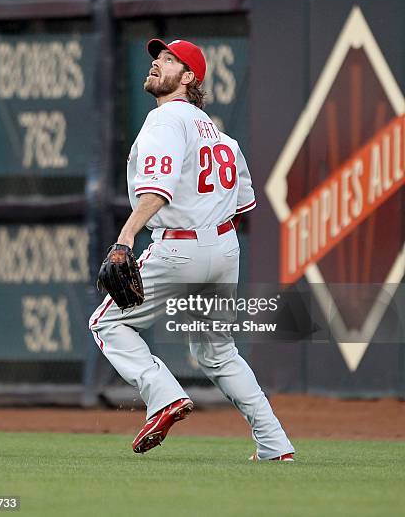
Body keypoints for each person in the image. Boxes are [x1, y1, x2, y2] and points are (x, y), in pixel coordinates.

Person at [89, 39, 295, 461]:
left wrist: (125, 238)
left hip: (178, 246)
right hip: (223, 248)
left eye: (168, 60)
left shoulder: (165, 121)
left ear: (188, 78)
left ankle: (163, 396)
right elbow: (243, 207)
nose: (156, 63)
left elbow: (157, 191)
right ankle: (275, 445)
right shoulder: (223, 137)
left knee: (107, 323)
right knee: (218, 353)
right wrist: (211, 240)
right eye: (156, 57)